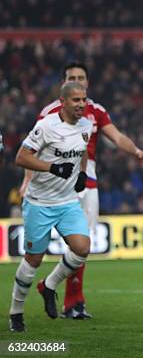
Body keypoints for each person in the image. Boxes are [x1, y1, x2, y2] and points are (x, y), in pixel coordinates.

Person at [20, 62, 143, 319]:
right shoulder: (49, 113)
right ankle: (67, 299)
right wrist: (27, 181)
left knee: (83, 244)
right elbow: (30, 149)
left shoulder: (97, 112)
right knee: (57, 246)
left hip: (86, 181)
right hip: (54, 184)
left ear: (87, 83)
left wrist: (135, 150)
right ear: (64, 84)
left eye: (81, 77)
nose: (78, 80)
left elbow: (118, 137)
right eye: (72, 77)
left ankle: (72, 300)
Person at [9, 82, 93, 332]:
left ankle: (49, 285)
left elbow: (83, 150)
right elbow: (21, 157)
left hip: (67, 202)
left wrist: (81, 174)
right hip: (39, 203)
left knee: (82, 248)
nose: (81, 104)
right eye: (76, 100)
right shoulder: (46, 126)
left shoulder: (86, 125)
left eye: (83, 100)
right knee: (34, 259)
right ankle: (16, 312)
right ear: (63, 102)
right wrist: (52, 167)